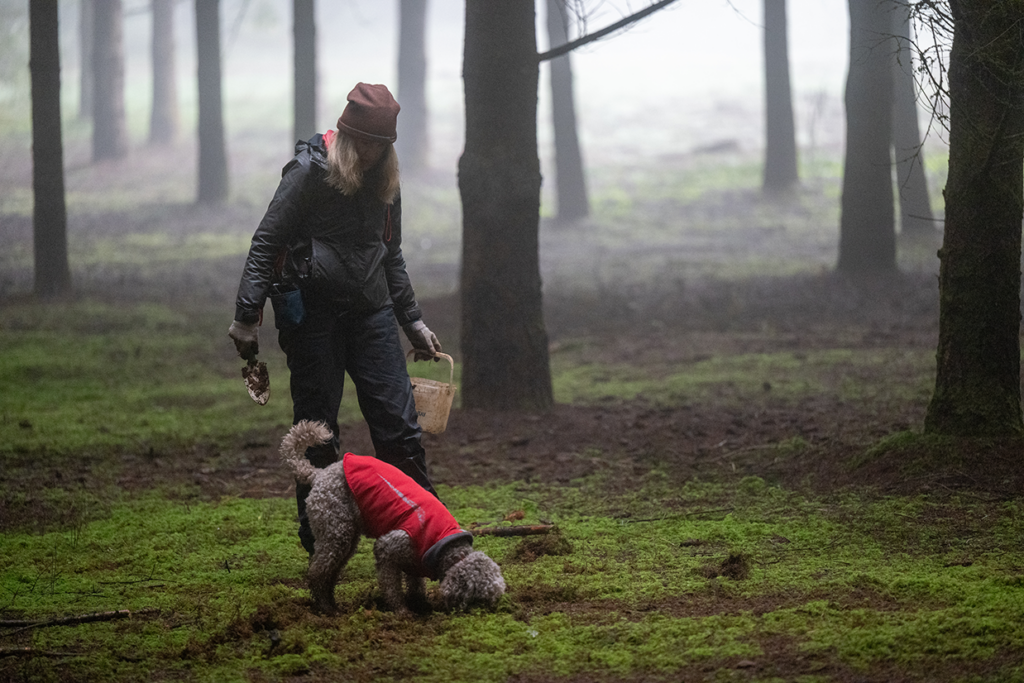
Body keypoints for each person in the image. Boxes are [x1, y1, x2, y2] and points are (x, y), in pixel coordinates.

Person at [227, 82, 443, 556]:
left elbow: (391, 253)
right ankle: (321, 542)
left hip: (372, 315)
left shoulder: (386, 181)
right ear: (346, 134)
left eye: (379, 145)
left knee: (400, 428)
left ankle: (424, 532)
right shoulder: (308, 172)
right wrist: (247, 317)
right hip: (313, 318)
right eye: (363, 143)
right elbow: (266, 242)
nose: (369, 153)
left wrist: (414, 321)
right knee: (318, 431)